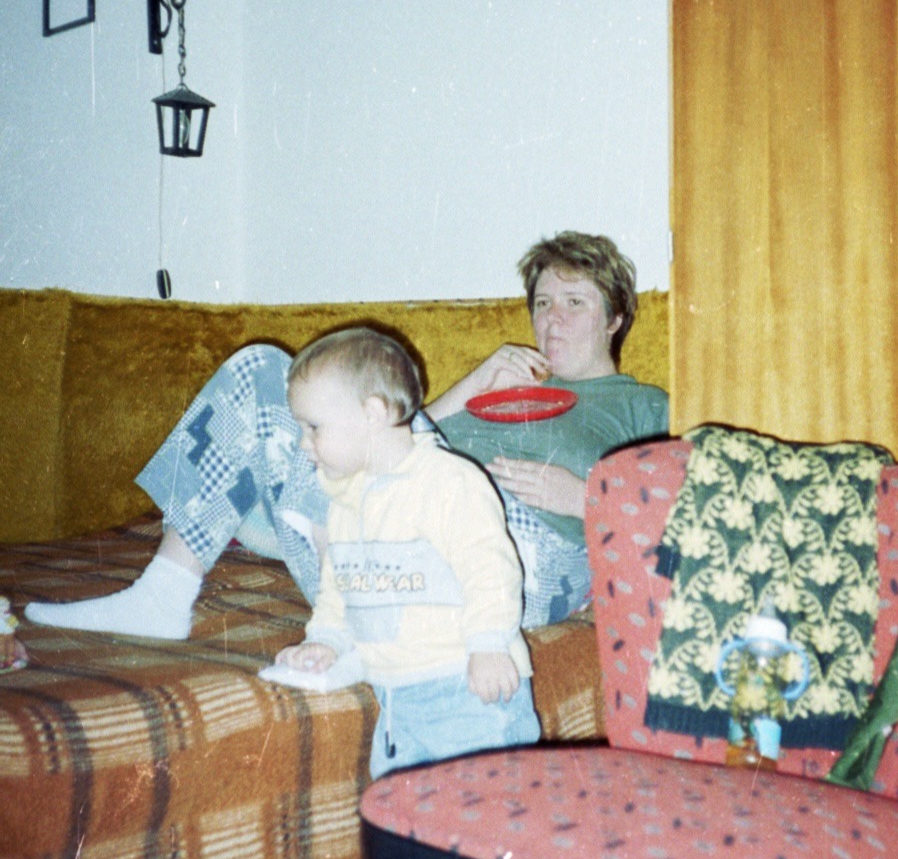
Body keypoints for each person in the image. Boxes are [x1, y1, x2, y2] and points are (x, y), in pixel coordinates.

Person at [23, 231, 668, 641]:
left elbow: (678, 524)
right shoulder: (499, 389)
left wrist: (582, 494)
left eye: (574, 301)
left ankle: (290, 539)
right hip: (397, 521)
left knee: (302, 440)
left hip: (516, 560)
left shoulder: (645, 405)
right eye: (542, 302)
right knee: (257, 370)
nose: (551, 318)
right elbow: (387, 438)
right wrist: (472, 385)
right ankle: (165, 592)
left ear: (615, 316)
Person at [255, 326, 538, 776]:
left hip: (467, 690)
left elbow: (491, 569)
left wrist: (489, 644)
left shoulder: (448, 481)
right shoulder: (346, 500)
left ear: (372, 413)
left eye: (313, 427)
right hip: (397, 700)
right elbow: (337, 588)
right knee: (402, 822)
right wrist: (325, 640)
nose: (303, 443)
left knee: (486, 824)